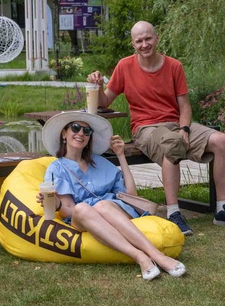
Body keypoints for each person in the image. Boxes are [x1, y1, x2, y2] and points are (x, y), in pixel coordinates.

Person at [88, 20, 225, 235]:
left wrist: (185, 129)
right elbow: (105, 102)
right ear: (133, 44)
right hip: (146, 128)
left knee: (222, 141)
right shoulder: (124, 66)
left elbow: (185, 106)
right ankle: (173, 213)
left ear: (157, 38)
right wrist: (97, 86)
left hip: (176, 125)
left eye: (148, 39)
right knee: (173, 144)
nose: (144, 44)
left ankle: (222, 209)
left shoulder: (174, 66)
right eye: (139, 41)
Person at [38, 110, 186, 281]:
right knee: (82, 208)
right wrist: (57, 204)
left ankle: (155, 256)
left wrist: (121, 155)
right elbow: (69, 211)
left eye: (87, 131)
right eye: (76, 128)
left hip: (113, 209)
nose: (81, 133)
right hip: (83, 217)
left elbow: (131, 194)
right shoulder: (56, 169)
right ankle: (139, 256)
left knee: (102, 205)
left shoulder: (100, 162)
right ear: (64, 133)